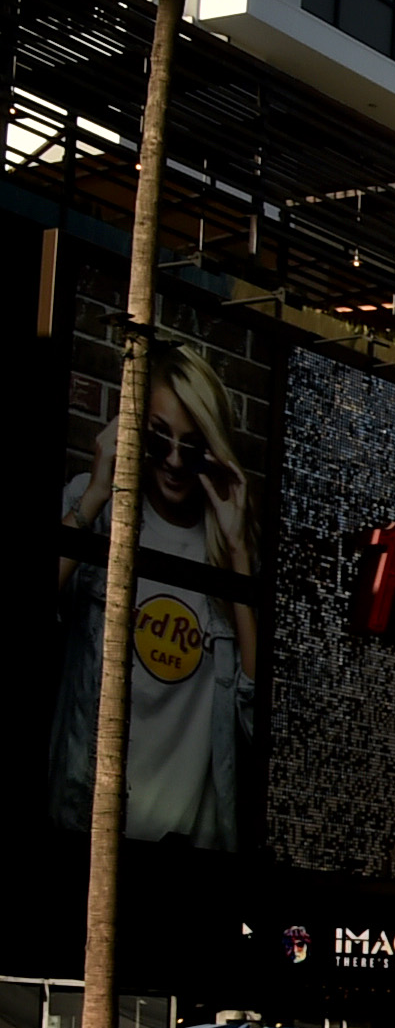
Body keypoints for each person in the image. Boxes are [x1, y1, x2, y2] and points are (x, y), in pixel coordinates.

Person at [53, 348, 257, 851]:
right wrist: (96, 494)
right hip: (85, 831)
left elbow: (256, 714)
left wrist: (238, 552)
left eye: (193, 448)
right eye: (158, 438)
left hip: (189, 845)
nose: (174, 461)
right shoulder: (93, 510)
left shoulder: (228, 551)